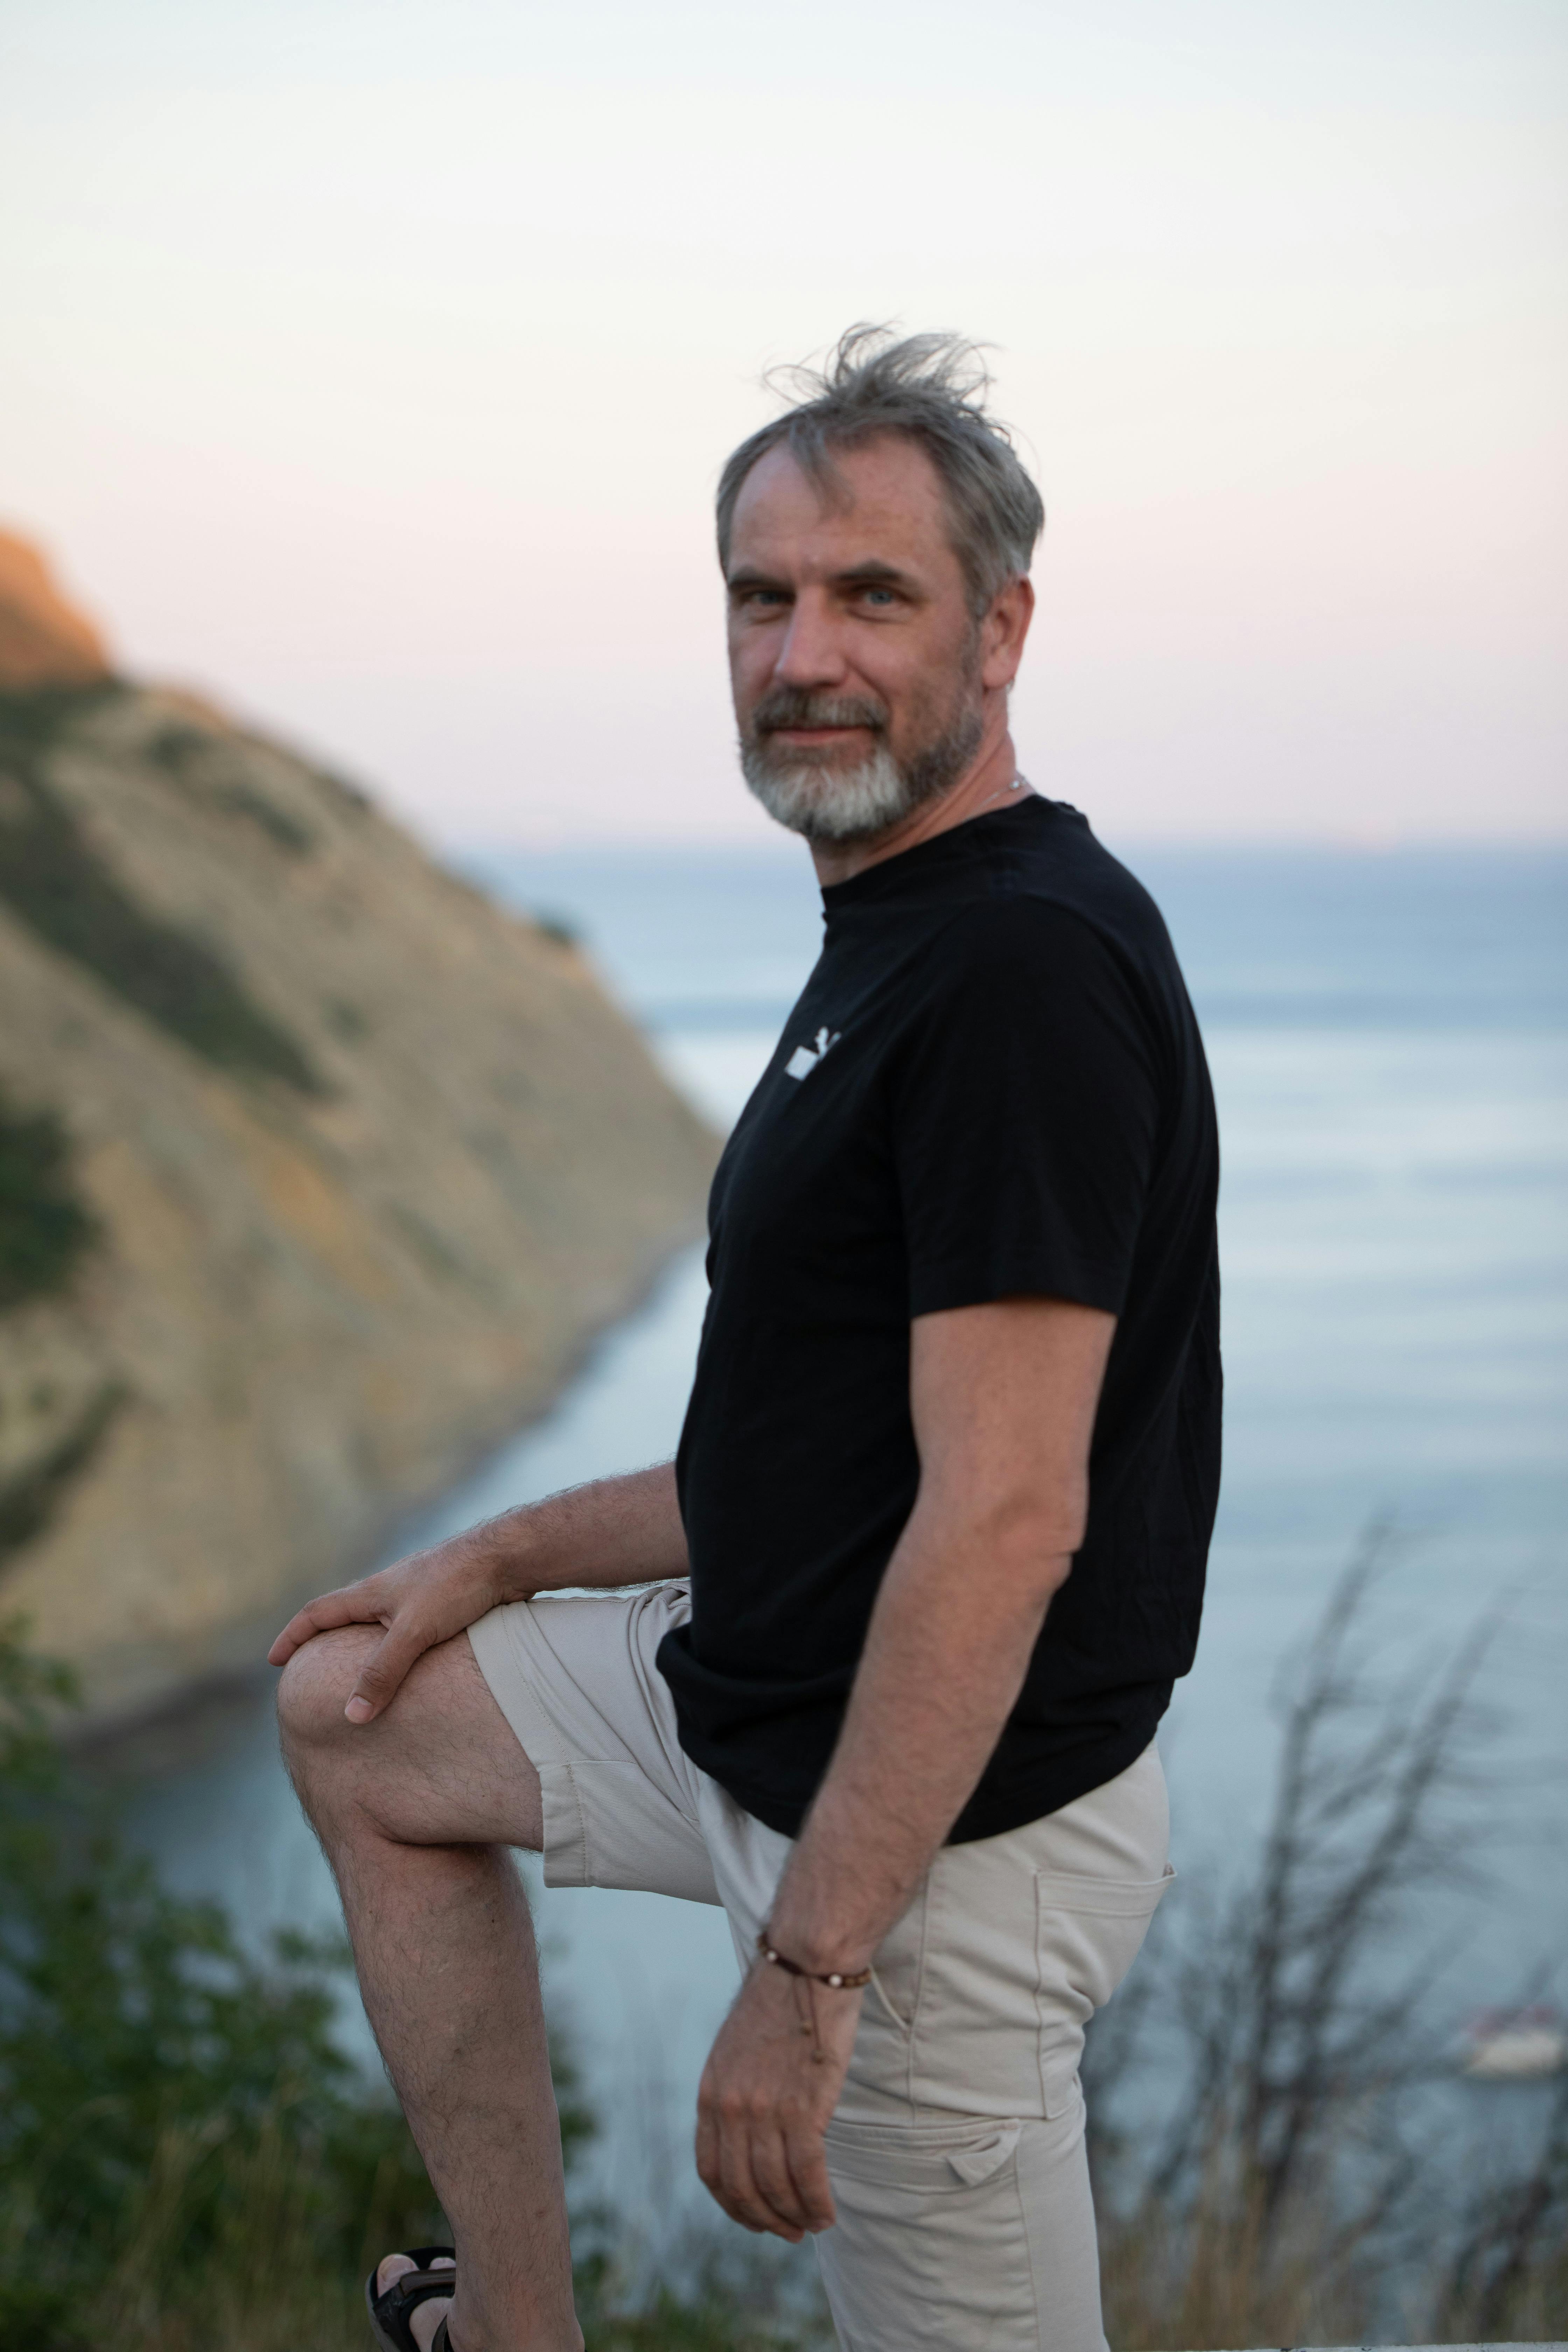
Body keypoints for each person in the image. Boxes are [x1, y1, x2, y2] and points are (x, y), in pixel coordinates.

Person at [272, 325, 1221, 2352]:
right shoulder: (893, 933)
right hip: (744, 1714)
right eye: (762, 597)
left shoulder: (1017, 973)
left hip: (929, 1864)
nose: (806, 654)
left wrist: (805, 1984)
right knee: (364, 1712)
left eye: (873, 594)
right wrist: (499, 1557)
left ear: (1003, 625)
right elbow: (826, 1456)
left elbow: (999, 1518)